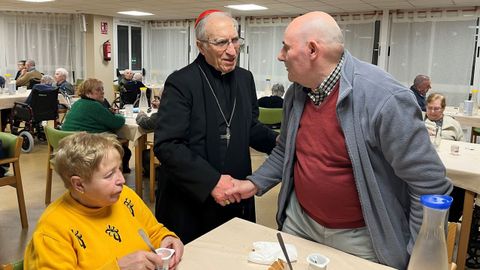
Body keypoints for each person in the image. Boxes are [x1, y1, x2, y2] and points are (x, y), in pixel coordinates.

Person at [226, 11, 452, 270]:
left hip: (364, 238)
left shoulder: (384, 98)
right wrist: (254, 183)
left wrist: (418, 257)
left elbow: (429, 183)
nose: (280, 55)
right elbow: (286, 151)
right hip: (299, 223)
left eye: (286, 47)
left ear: (312, 50)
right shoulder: (297, 92)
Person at [153, 10, 277, 244]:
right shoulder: (181, 82)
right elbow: (167, 145)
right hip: (192, 198)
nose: (232, 51)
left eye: (235, 40)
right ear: (201, 46)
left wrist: (278, 142)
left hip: (235, 192)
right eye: (221, 43)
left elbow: (249, 127)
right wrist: (211, 181)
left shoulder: (245, 78)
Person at [24, 133, 184, 269]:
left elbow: (153, 231)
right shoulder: (53, 231)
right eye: (109, 175)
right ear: (79, 184)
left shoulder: (125, 197)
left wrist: (166, 239)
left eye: (119, 169)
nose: (121, 180)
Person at [62, 78, 132, 173]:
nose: (102, 92)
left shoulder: (77, 103)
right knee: (125, 150)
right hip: (84, 148)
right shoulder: (94, 106)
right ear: (88, 92)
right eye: (98, 90)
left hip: (69, 144)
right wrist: (118, 115)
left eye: (102, 89)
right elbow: (117, 122)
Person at [424, 92, 464, 222]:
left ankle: (451, 219)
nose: (432, 111)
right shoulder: (418, 122)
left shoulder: (453, 124)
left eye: (436, 108)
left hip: (450, 165)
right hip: (426, 166)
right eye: (430, 108)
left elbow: (461, 146)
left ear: (443, 109)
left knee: (460, 187)